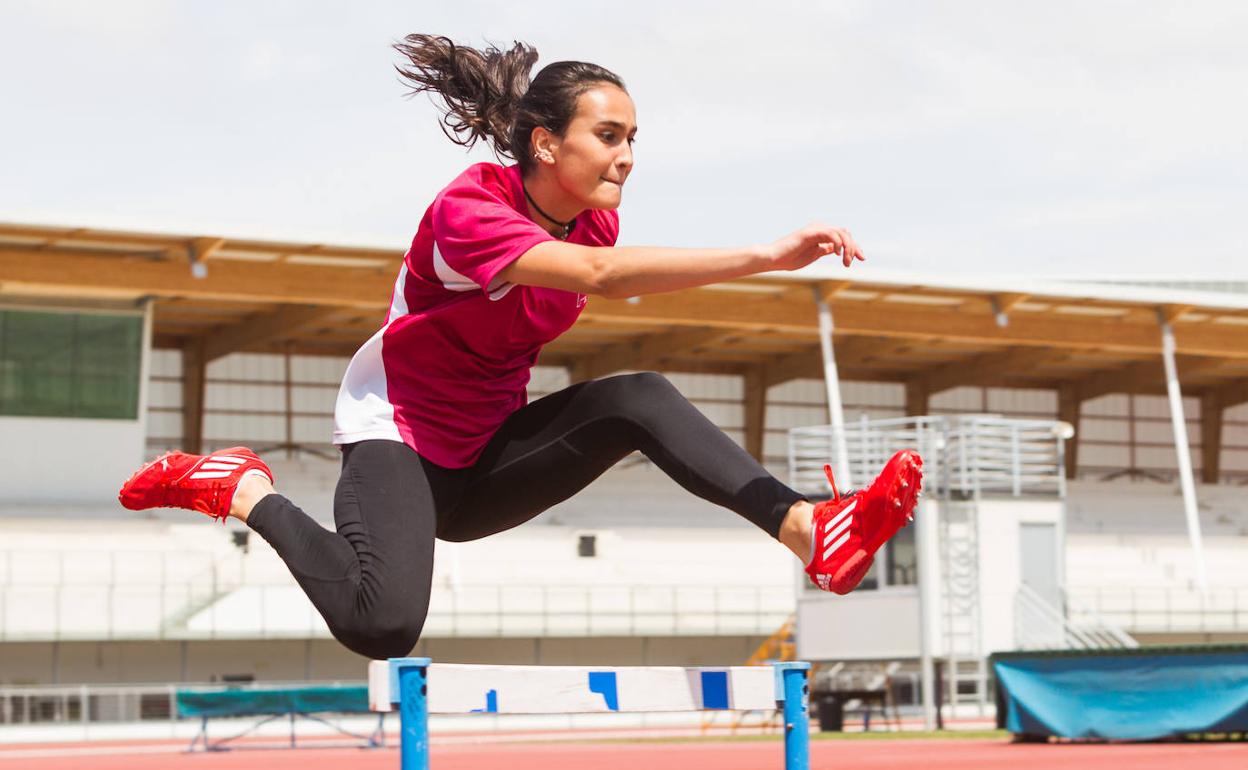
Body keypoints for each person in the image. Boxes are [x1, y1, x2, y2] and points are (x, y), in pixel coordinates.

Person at [119, 35, 923, 660]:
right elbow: (605, 277)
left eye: (635, 137)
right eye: (608, 136)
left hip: (485, 457)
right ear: (545, 145)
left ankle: (810, 531)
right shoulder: (470, 209)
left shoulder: (593, 219)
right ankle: (244, 488)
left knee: (636, 397)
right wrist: (766, 258)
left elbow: (602, 264)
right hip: (398, 441)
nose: (628, 157)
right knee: (385, 623)